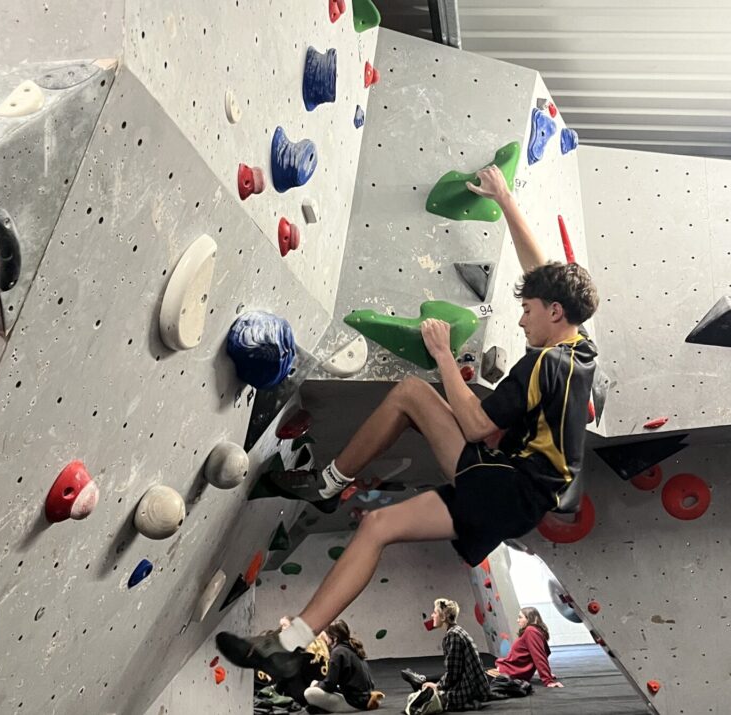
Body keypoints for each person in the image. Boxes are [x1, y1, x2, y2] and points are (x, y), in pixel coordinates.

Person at [216, 164, 599, 682]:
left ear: (554, 312)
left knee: (414, 395)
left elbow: (475, 426)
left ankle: (327, 486)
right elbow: (542, 271)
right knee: (379, 521)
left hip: (508, 485)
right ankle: (288, 644)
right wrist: (505, 199)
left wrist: (443, 355)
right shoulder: (579, 347)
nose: (521, 317)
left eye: (527, 309)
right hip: (519, 494)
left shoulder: (544, 365)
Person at [401, 599, 492, 711]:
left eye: (435, 612)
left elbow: (453, 673)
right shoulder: (458, 631)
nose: (432, 615)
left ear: (443, 617)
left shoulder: (453, 636)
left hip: (468, 691)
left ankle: (423, 683)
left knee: (421, 702)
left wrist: (437, 686)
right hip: (474, 687)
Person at [302, 620, 384, 712]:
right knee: (316, 685)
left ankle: (323, 707)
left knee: (309, 692)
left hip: (355, 703)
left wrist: (317, 685)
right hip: (363, 697)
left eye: (327, 636)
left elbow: (329, 685)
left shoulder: (338, 652)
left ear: (334, 638)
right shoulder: (352, 647)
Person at [487, 607, 562, 688]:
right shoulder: (535, 631)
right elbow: (545, 652)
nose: (517, 620)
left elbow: (539, 656)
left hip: (506, 672)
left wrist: (548, 680)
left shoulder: (531, 631)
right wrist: (547, 674)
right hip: (506, 670)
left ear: (529, 619)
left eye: (520, 617)